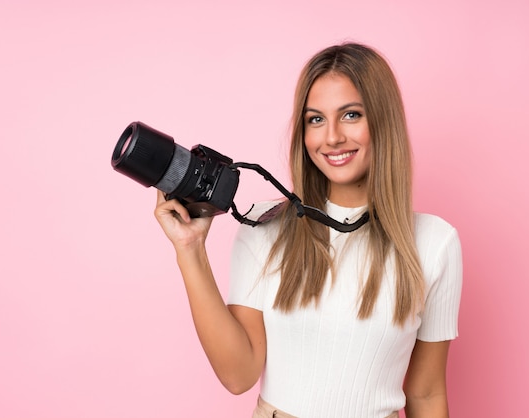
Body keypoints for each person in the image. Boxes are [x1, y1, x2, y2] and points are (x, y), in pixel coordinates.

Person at [154, 42, 462, 418]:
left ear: (384, 120)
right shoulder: (265, 227)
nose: (331, 137)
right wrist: (190, 249)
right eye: (315, 119)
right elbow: (238, 375)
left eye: (351, 115)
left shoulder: (434, 243)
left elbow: (427, 394)